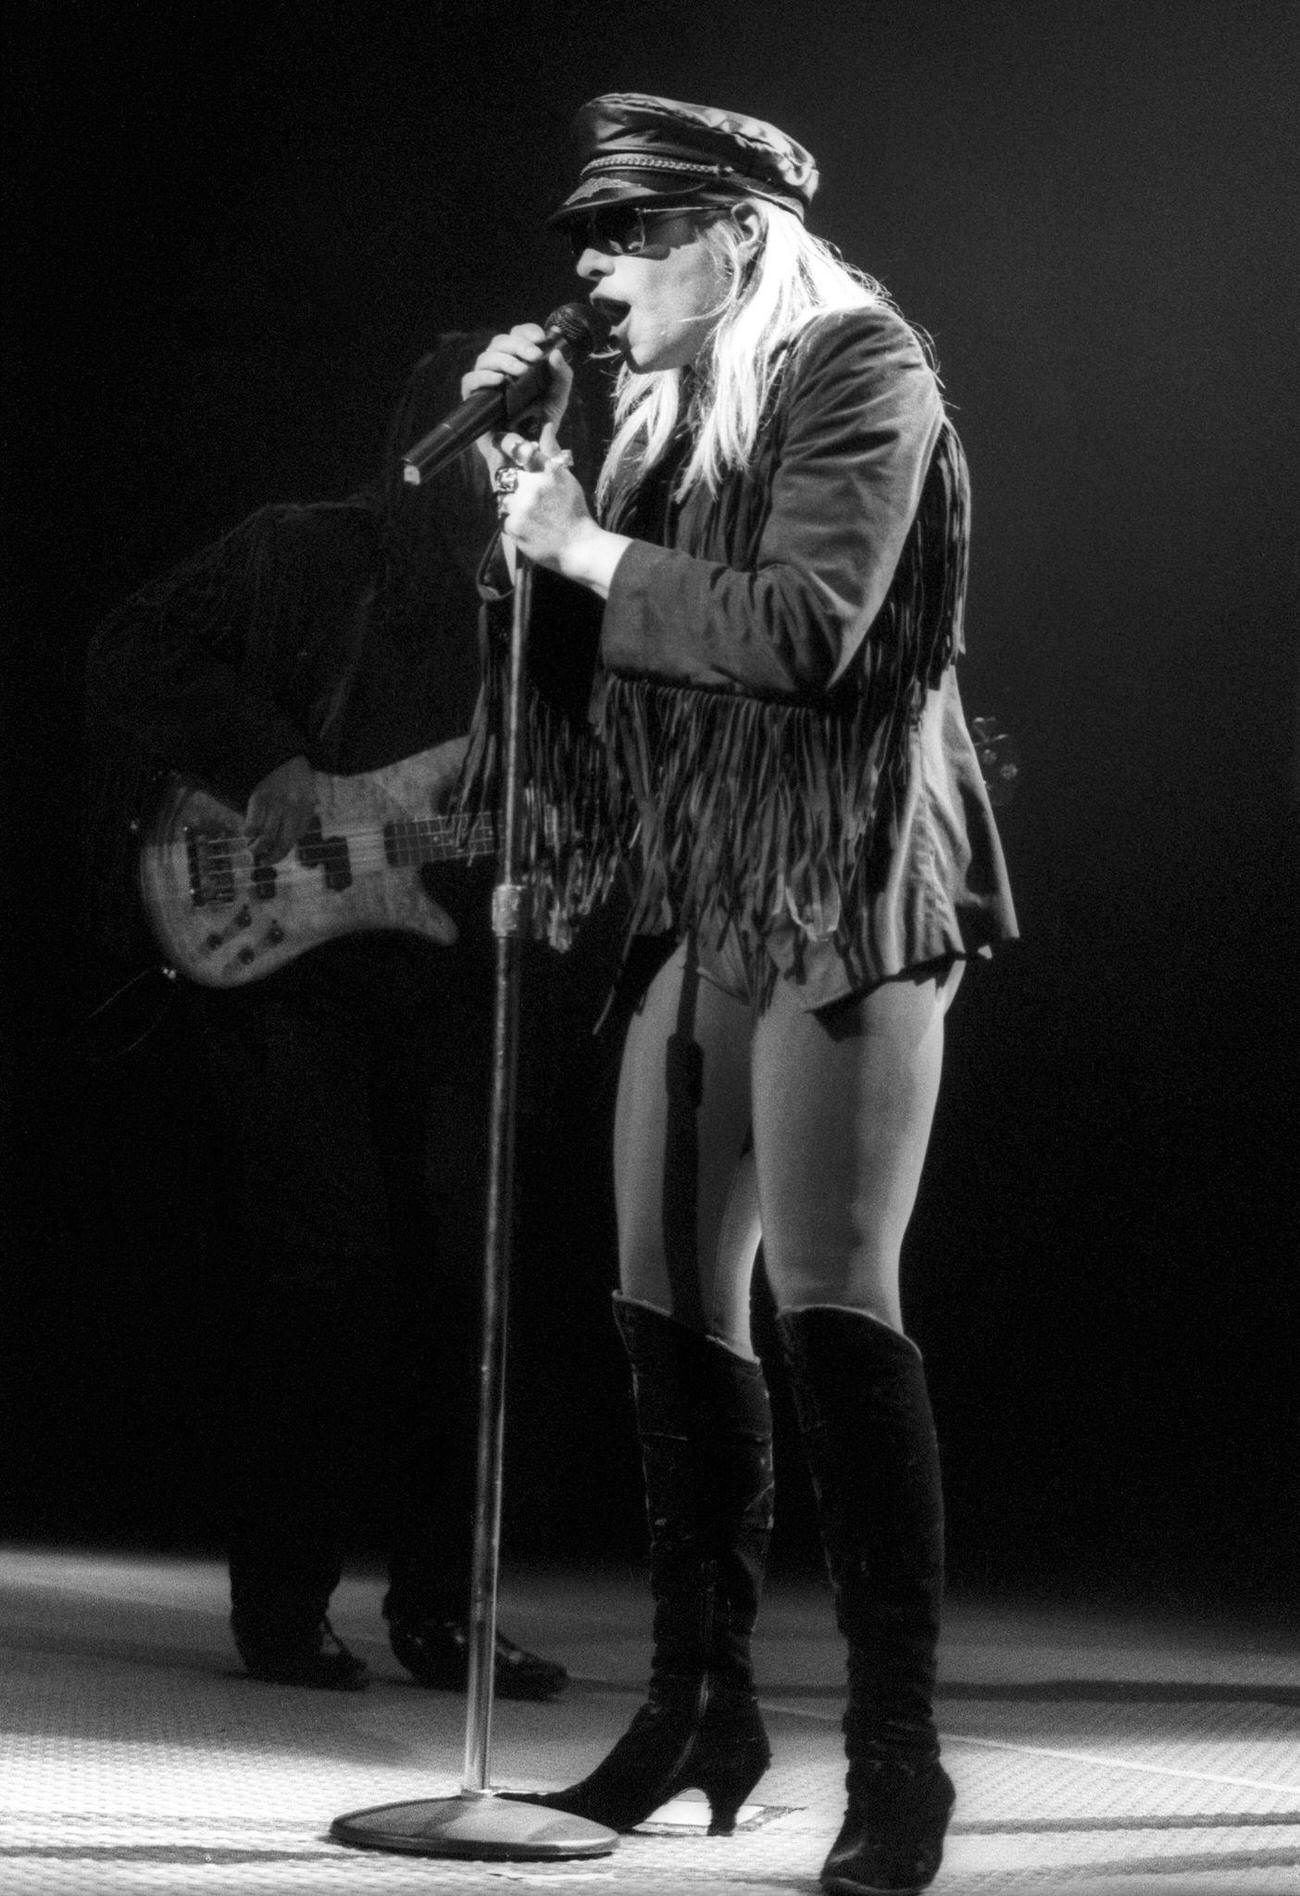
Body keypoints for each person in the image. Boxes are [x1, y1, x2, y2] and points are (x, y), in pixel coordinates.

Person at [458, 95, 1018, 1894]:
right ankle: (702, 1704)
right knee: (658, 1283)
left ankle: (896, 1762)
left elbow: (802, 629)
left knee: (835, 1296)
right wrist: (530, 507)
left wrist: (592, 548)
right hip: (715, 876)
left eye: (626, 243)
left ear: (731, 238)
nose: (599, 280)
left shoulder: (862, 367)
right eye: (585, 253)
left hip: (848, 867)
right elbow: (584, 658)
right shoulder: (653, 414)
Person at [82, 336, 572, 1699]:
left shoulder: (544, 603)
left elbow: (561, 794)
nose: (522, 462)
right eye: (500, 436)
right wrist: (271, 758)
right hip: (284, 958)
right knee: (326, 1272)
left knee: (469, 1287)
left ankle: (446, 1613)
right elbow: (131, 649)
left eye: (544, 444)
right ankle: (286, 1601)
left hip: (453, 968)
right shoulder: (303, 549)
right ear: (440, 428)